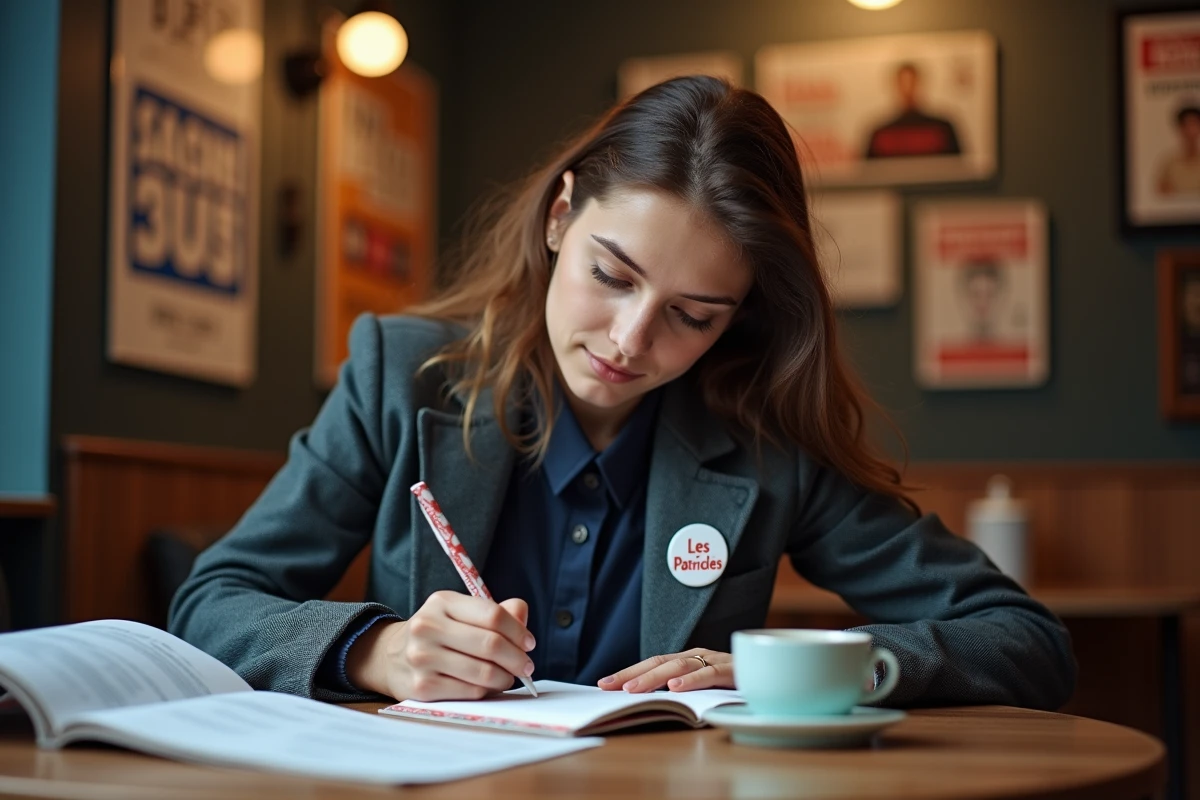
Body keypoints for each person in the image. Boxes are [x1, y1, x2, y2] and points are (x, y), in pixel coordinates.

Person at [169, 76, 1075, 709]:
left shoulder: (767, 444)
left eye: (693, 314)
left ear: (740, 317)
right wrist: (375, 650)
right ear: (561, 217)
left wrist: (805, 671)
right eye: (612, 275)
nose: (631, 340)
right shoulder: (399, 379)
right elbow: (211, 603)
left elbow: (1023, 641)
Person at [864, 62, 962, 159]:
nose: (908, 89)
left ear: (920, 84)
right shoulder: (880, 133)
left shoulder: (942, 128)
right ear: (896, 86)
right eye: (903, 83)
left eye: (912, 82)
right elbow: (871, 166)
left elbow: (956, 163)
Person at [1157, 104, 1200, 196]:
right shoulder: (1169, 163)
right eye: (1186, 125)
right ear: (1180, 128)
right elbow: (1160, 193)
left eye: (1194, 124)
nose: (1191, 130)